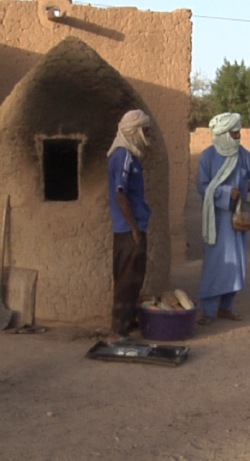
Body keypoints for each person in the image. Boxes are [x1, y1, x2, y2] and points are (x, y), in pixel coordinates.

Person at [197, 112, 250, 325]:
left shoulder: (242, 154)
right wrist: (227, 193)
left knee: (236, 263)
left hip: (238, 219)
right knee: (216, 264)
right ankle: (208, 310)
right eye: (234, 133)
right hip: (217, 219)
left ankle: (226, 307)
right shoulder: (207, 157)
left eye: (239, 133)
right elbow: (203, 186)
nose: (238, 137)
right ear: (224, 134)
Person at [107, 109, 153, 342]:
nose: (148, 134)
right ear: (133, 131)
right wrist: (134, 228)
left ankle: (126, 323)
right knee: (127, 279)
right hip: (128, 230)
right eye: (145, 130)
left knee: (133, 277)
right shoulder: (123, 156)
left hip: (133, 227)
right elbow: (120, 194)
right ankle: (117, 332)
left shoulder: (131, 156)